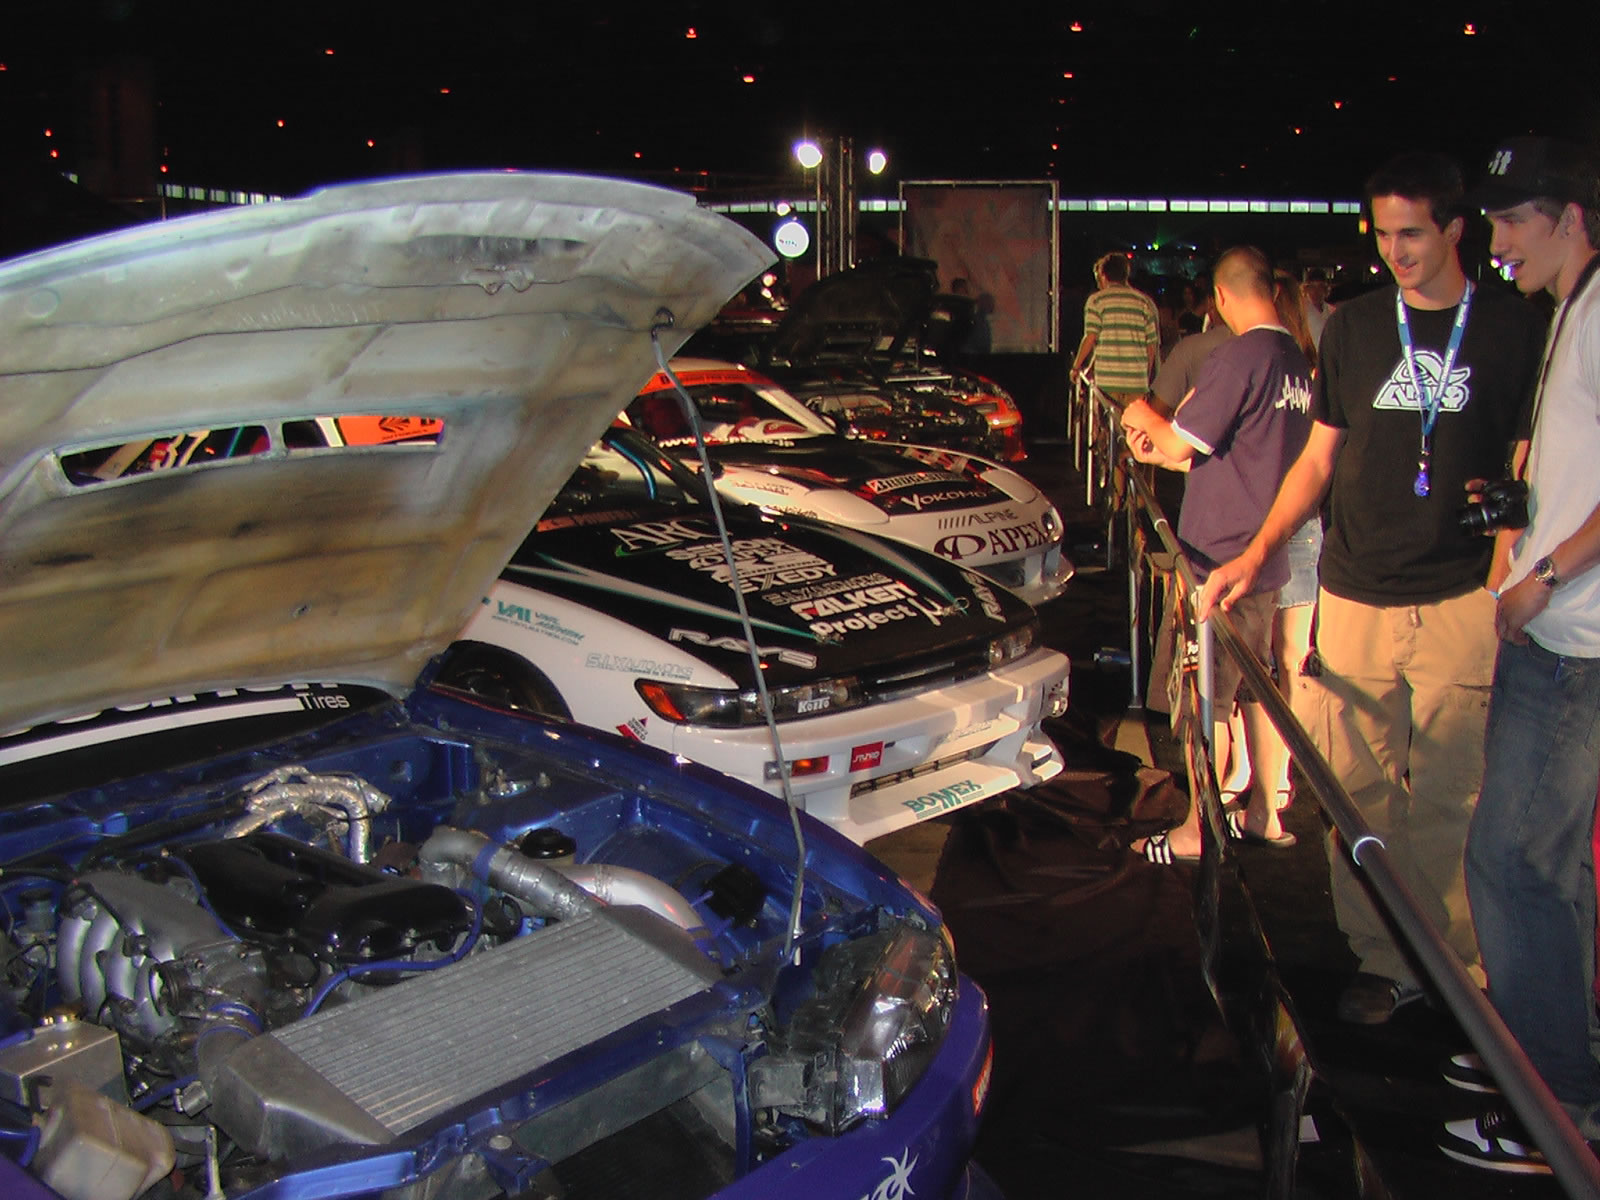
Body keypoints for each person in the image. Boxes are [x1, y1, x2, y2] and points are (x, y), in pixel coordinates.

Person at [1197, 152, 1547, 1025]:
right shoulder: (1354, 326)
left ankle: (1451, 968)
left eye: (1413, 233)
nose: (1396, 251)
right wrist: (1258, 550)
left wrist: (1504, 576)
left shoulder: (1514, 328)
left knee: (1450, 798)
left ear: (1455, 230)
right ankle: (1384, 959)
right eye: (1384, 234)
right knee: (1356, 793)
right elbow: (1319, 457)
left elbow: (1530, 462)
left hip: (1461, 595)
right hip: (1355, 592)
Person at [1440, 135, 1600, 1174]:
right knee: (1551, 867)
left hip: (1574, 640)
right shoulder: (1569, 309)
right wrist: (1522, 512)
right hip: (1561, 631)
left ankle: (1555, 1107)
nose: (1494, 241)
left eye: (1510, 219)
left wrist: (1544, 574)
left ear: (1570, 215)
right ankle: (1556, 1056)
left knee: (1510, 864)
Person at [1120, 246, 1313, 859]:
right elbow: (1228, 451)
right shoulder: (1295, 359)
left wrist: (1140, 415)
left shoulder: (1240, 356)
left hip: (1218, 558)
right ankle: (1264, 813)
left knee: (1207, 696)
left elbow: (1180, 444)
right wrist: (1163, 447)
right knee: (1258, 688)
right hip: (1265, 551)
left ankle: (1197, 830)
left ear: (1222, 296)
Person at [1070, 253, 1159, 405]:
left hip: (1107, 383)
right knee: (1133, 421)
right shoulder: (1144, 302)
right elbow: (1151, 346)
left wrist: (1076, 367)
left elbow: (1090, 337)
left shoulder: (1097, 300)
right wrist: (1144, 375)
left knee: (1107, 420)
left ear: (1104, 275)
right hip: (1137, 383)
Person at [1301, 267, 1336, 351]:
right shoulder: (1301, 310)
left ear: (1326, 289)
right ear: (1306, 289)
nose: (1316, 291)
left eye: (1320, 287)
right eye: (1312, 287)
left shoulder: (1333, 311)